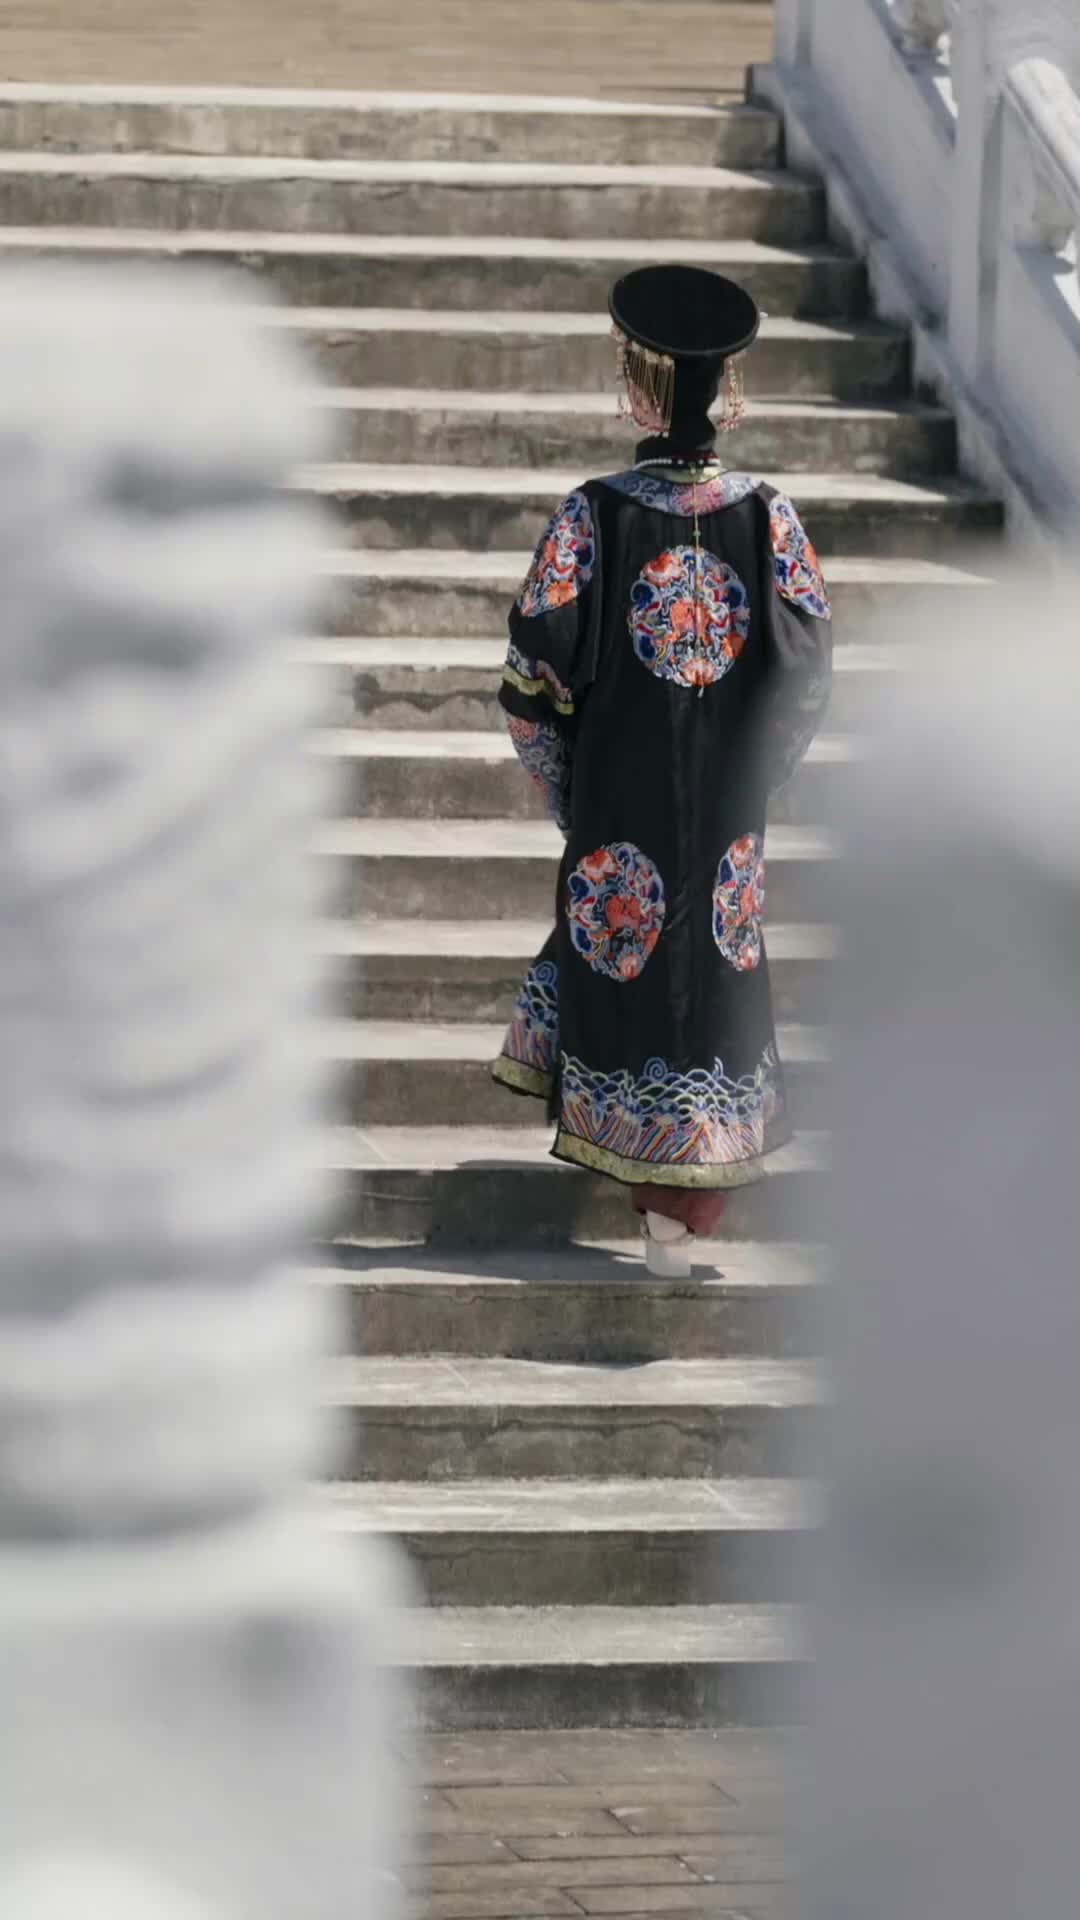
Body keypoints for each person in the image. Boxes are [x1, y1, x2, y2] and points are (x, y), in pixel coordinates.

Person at [492, 265, 832, 1276]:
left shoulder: (590, 517)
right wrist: (751, 776)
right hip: (727, 825)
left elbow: (529, 687)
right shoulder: (771, 519)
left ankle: (660, 1208)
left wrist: (573, 793)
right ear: (724, 388)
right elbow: (806, 684)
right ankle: (680, 1214)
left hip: (618, 811)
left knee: (627, 970)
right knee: (712, 981)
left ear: (639, 384)